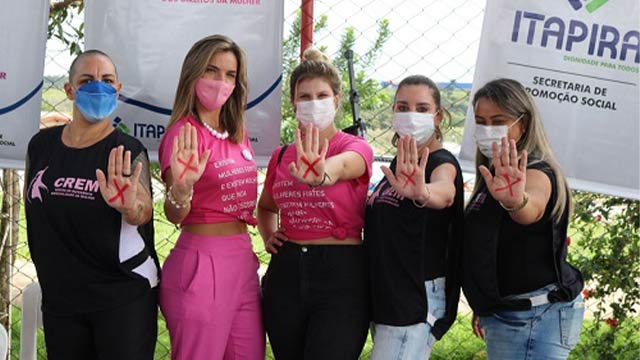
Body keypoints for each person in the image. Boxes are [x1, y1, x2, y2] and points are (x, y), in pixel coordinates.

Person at [24, 49, 159, 360]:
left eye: (107, 80)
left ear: (118, 89)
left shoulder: (126, 149)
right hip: (61, 301)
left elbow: (143, 209)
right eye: (87, 80)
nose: (98, 86)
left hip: (121, 297)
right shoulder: (41, 146)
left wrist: (129, 208)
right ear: (69, 90)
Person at [258, 48, 374, 359]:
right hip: (287, 269)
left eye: (322, 95)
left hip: (341, 271)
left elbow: (346, 166)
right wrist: (269, 235)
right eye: (304, 96)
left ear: (337, 99)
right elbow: (266, 207)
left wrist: (322, 175)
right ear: (293, 102)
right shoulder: (282, 156)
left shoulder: (354, 146)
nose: (313, 103)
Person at [157, 34, 264, 360]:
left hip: (243, 262)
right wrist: (181, 189)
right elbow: (174, 214)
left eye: (230, 75)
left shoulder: (237, 133)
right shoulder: (183, 133)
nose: (221, 82)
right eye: (212, 71)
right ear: (193, 74)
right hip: (203, 263)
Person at [463, 78, 584, 359]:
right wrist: (486, 302)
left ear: (524, 123)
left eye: (498, 120)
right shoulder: (492, 174)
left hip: (534, 317)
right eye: (481, 121)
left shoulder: (536, 171)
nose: (487, 130)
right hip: (508, 312)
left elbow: (533, 208)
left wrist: (516, 202)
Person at [365, 75, 463, 359]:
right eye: (403, 107)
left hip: (415, 295)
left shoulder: (440, 162)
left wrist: (422, 193)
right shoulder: (399, 166)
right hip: (389, 294)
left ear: (437, 116)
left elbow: (445, 192)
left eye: (421, 109)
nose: (411, 116)